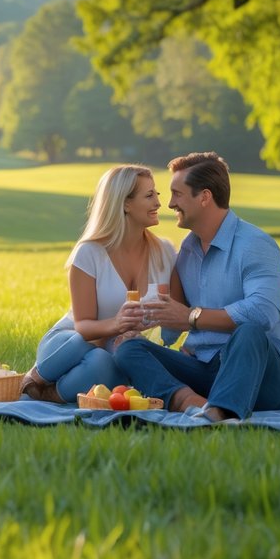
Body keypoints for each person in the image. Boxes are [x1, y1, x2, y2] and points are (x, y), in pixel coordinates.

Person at [114, 152, 280, 422]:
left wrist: (192, 317)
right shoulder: (188, 250)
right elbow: (171, 326)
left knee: (249, 331)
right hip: (205, 369)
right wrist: (138, 324)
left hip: (262, 376)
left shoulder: (255, 244)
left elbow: (262, 313)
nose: (169, 204)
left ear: (204, 197)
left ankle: (220, 412)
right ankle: (191, 402)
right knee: (129, 350)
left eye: (177, 194)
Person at [20, 164, 177, 403]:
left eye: (157, 194)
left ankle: (52, 395)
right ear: (124, 203)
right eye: (149, 195)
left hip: (114, 351)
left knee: (104, 363)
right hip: (69, 342)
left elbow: (173, 324)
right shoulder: (90, 253)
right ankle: (34, 379)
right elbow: (83, 326)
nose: (158, 202)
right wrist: (117, 324)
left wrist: (143, 334)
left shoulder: (165, 252)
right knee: (82, 344)